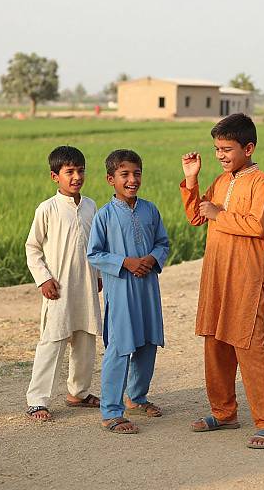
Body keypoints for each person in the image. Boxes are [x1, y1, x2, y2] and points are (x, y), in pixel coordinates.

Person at [180, 113, 264, 449]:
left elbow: (258, 226)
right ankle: (224, 413)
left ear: (249, 148)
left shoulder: (262, 183)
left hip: (247, 281)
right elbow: (197, 215)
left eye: (227, 149)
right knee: (215, 344)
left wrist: (219, 215)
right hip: (216, 278)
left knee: (250, 349)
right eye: (217, 149)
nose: (221, 155)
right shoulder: (221, 181)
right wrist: (192, 180)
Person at [87, 149, 169, 434]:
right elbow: (94, 254)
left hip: (148, 288)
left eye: (136, 173)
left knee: (147, 342)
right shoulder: (104, 216)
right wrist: (125, 262)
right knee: (121, 347)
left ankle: (137, 397)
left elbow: (163, 243)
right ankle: (111, 411)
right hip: (121, 290)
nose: (132, 179)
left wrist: (152, 258)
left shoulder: (150, 209)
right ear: (111, 179)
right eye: (125, 174)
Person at [25, 145, 102, 421]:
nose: (76, 177)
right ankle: (37, 400)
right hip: (58, 288)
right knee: (52, 342)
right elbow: (32, 247)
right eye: (69, 171)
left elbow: (96, 244)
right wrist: (43, 278)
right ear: (54, 176)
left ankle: (78, 393)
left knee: (85, 339)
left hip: (86, 286)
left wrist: (100, 276)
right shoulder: (47, 209)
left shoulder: (91, 206)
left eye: (80, 171)